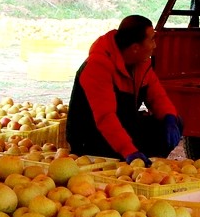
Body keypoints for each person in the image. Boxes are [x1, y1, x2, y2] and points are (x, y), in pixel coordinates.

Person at [66, 15, 183, 164]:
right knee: (127, 149)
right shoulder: (97, 66)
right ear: (135, 48)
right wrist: (129, 151)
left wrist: (169, 118)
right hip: (92, 136)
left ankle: (146, 164)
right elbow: (105, 118)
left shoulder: (141, 63)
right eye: (152, 40)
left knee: (173, 122)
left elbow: (158, 97)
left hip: (122, 125)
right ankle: (132, 161)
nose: (154, 45)